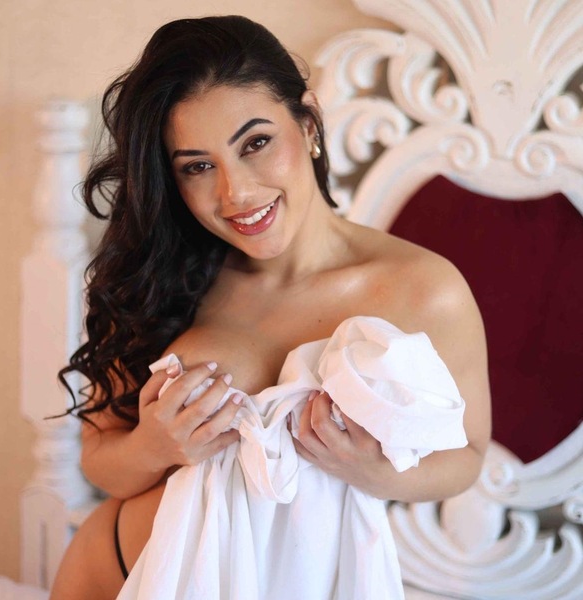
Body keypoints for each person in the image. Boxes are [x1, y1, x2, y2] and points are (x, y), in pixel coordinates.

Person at [50, 15, 490, 600]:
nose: (235, 192)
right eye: (197, 166)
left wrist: (374, 472)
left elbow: (468, 456)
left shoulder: (423, 289)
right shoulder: (160, 282)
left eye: (256, 143)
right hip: (119, 573)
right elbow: (100, 461)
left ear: (307, 124)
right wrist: (154, 446)